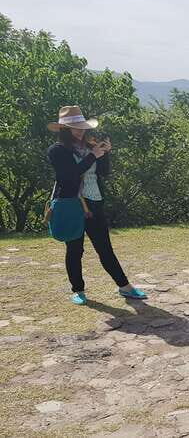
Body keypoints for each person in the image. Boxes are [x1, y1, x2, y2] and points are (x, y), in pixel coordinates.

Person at [46, 105, 147, 305]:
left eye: (82, 126)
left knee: (104, 248)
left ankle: (125, 287)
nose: (80, 131)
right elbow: (69, 175)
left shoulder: (90, 146)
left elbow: (103, 173)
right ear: (65, 129)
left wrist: (104, 154)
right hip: (71, 203)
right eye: (75, 127)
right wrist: (93, 155)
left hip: (94, 202)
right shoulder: (57, 151)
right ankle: (78, 290)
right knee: (75, 249)